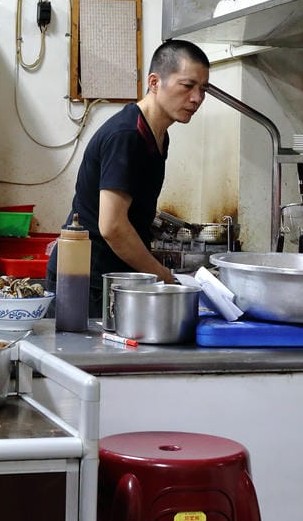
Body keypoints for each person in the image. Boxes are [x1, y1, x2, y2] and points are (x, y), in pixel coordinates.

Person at [47, 39, 210, 317]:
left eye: (202, 89)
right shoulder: (127, 135)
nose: (196, 98)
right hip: (89, 280)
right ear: (155, 82)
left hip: (115, 277)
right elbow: (112, 226)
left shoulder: (158, 135)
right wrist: (162, 275)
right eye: (187, 86)